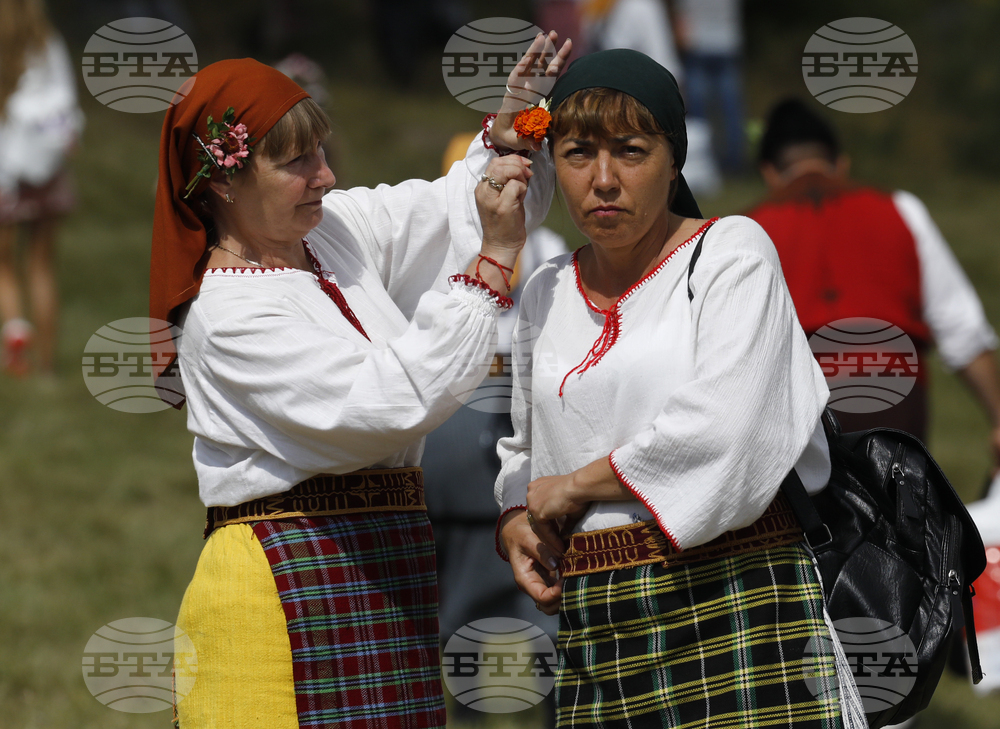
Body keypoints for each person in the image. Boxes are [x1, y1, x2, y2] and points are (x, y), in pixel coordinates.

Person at [151, 36, 570, 728]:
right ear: (224, 181)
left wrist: (513, 130)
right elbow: (390, 400)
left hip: (383, 569)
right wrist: (493, 264)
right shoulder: (224, 314)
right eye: (295, 162)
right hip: (280, 589)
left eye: (321, 152)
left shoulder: (330, 233)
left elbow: (447, 209)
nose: (323, 176)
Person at [496, 49, 867, 728]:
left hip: (736, 597)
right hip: (599, 619)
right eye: (577, 153)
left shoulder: (730, 255)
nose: (603, 180)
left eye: (631, 151)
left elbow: (728, 428)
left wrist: (576, 485)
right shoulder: (546, 288)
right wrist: (516, 518)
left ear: (674, 160)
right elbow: (525, 449)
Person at [747, 98, 1000, 461]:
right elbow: (962, 327)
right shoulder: (901, 209)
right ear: (842, 164)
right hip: (895, 391)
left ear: (769, 172)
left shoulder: (747, 230)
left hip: (802, 396)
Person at [0, 0, 83, 375]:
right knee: (41, 264)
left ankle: (16, 334)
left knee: (4, 266)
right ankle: (47, 364)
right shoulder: (45, 40)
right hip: (45, 165)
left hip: (5, 168)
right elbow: (65, 98)